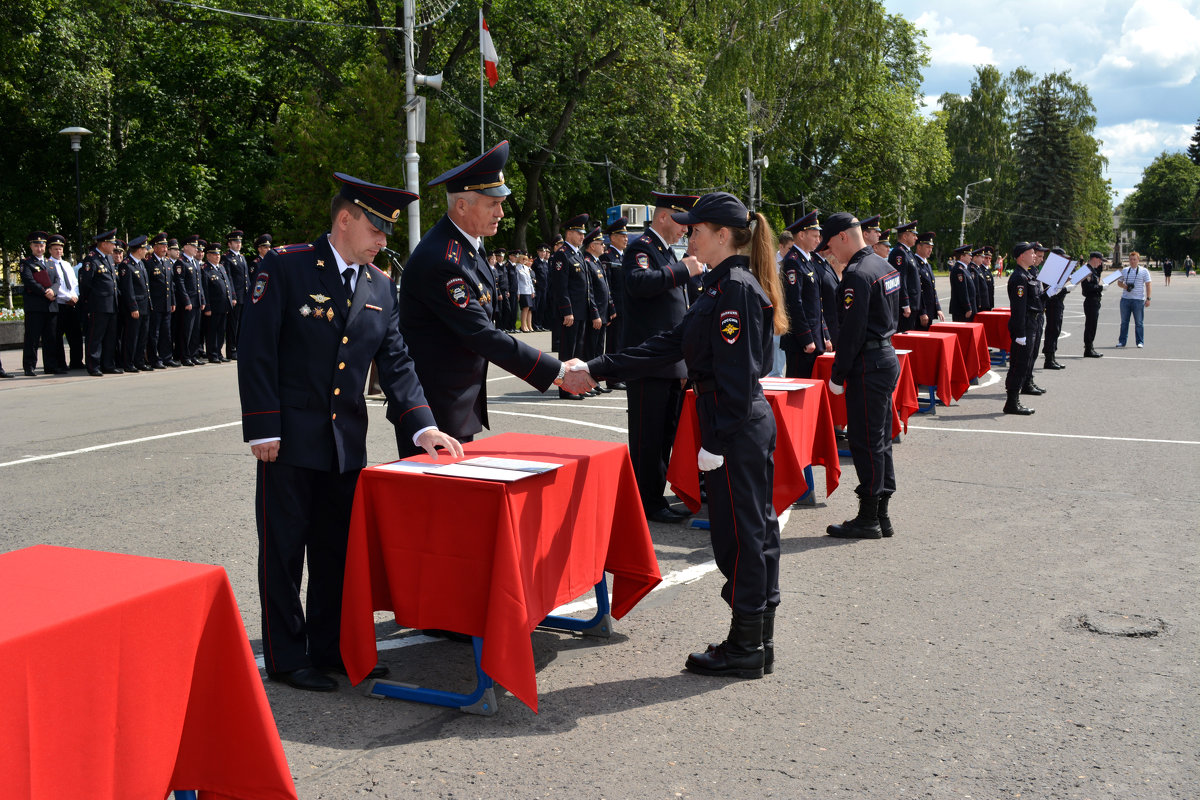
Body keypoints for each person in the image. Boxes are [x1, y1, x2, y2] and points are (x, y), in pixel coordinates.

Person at [238, 171, 463, 693]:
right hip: (287, 442)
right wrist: (261, 428)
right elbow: (257, 349)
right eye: (377, 230)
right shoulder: (286, 267)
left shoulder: (380, 284)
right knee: (285, 551)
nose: (385, 241)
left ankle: (333, 648)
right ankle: (288, 658)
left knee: (336, 552)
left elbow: (397, 363)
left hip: (344, 444)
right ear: (345, 219)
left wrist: (423, 425)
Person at [577, 191, 787, 679]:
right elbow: (666, 345)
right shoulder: (721, 285)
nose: (687, 235)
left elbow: (736, 377)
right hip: (733, 422)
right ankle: (756, 639)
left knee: (743, 537)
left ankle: (745, 646)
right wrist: (596, 366)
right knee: (750, 533)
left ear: (720, 235)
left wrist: (714, 445)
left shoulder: (732, 288)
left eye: (695, 229)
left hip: (731, 425)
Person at [397, 141, 594, 451]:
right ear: (462, 205)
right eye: (493, 204)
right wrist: (556, 372)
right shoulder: (443, 260)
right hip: (433, 411)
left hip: (455, 402)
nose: (502, 212)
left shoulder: (467, 246)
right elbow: (481, 334)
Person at [819, 214, 901, 540]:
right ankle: (882, 515)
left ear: (842, 237)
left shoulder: (856, 274)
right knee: (880, 441)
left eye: (830, 246)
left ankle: (869, 518)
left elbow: (850, 332)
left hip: (867, 363)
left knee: (865, 442)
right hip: (885, 356)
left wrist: (838, 373)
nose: (831, 254)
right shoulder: (883, 265)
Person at [621, 191, 700, 523]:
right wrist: (681, 271)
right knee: (647, 436)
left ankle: (654, 496)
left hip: (669, 360)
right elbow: (638, 283)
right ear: (664, 217)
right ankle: (645, 500)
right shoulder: (641, 248)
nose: (685, 231)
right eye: (681, 223)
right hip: (648, 359)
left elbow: (676, 312)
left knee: (666, 432)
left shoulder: (666, 252)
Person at [550, 214, 596, 397]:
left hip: (581, 311)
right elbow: (561, 287)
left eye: (583, 233)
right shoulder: (562, 255)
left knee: (578, 352)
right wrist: (566, 311)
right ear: (569, 233)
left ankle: (576, 386)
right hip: (571, 313)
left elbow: (585, 287)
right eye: (579, 233)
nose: (582, 236)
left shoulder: (577, 255)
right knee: (568, 352)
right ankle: (565, 388)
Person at [779, 210, 828, 378]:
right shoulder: (793, 261)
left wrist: (825, 335)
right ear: (801, 235)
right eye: (814, 235)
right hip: (801, 342)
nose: (818, 240)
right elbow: (794, 303)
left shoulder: (809, 259)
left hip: (815, 338)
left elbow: (816, 303)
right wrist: (806, 338)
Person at [1004, 242, 1044, 415]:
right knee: (1018, 364)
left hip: (1032, 323)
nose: (1034, 255)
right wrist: (1020, 333)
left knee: (1024, 363)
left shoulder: (1027, 275)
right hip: (1024, 325)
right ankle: (1012, 403)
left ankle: (1014, 401)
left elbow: (1036, 301)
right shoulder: (1019, 277)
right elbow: (1019, 308)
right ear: (1021, 256)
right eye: (1031, 252)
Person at [78, 229, 120, 376]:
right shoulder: (91, 259)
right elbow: (86, 285)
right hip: (98, 305)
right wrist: (89, 304)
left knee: (110, 337)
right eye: (112, 243)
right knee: (95, 337)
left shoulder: (108, 258)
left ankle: (108, 364)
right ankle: (93, 365)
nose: (114, 246)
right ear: (103, 244)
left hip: (112, 304)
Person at [20, 231, 62, 376]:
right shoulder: (26, 263)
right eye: (36, 245)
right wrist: (45, 292)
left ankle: (50, 365)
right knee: (32, 338)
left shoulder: (50, 263)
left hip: (51, 306)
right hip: (35, 306)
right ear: (31, 246)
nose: (39, 248)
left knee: (51, 337)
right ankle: (29, 366)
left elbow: (57, 280)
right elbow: (29, 281)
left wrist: (53, 291)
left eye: (42, 245)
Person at [48, 233, 83, 371]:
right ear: (50, 250)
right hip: (59, 304)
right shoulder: (48, 265)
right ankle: (60, 363)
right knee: (57, 336)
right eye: (55, 249)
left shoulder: (67, 264)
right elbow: (53, 285)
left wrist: (75, 296)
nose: (58, 251)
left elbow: (74, 283)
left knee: (75, 335)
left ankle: (76, 361)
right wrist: (67, 297)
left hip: (72, 304)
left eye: (60, 248)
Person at [117, 235, 152, 372]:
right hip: (135, 307)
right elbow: (128, 289)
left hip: (145, 306)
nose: (146, 251)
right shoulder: (126, 265)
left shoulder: (141, 263)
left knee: (142, 336)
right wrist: (133, 307)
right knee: (132, 336)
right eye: (144, 249)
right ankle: (129, 362)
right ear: (138, 250)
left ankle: (139, 361)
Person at [601, 218, 628, 388]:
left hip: (627, 308)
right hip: (616, 308)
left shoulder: (625, 256)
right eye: (622, 235)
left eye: (626, 235)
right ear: (612, 237)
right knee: (614, 343)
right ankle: (612, 378)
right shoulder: (607, 257)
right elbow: (607, 286)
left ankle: (621, 374)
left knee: (623, 343)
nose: (626, 238)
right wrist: (610, 307)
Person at [145, 233, 179, 369]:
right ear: (155, 247)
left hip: (166, 303)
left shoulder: (167, 262)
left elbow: (171, 285)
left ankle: (166, 357)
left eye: (166, 246)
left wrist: (173, 301)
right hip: (155, 304)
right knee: (154, 333)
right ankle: (154, 359)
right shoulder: (149, 263)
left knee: (167, 332)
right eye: (162, 246)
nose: (165, 248)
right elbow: (147, 285)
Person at [173, 235, 205, 366]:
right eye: (193, 246)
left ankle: (193, 354)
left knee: (196, 330)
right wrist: (186, 300)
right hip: (188, 302)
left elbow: (199, 284)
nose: (196, 249)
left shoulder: (195, 262)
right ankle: (184, 356)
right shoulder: (181, 263)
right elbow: (180, 283)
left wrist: (202, 299)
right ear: (185, 247)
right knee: (186, 330)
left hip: (197, 301)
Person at [201, 241, 234, 362]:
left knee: (221, 331)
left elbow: (227, 285)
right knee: (212, 331)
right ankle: (212, 354)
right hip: (213, 306)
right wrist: (207, 307)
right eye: (214, 254)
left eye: (218, 254)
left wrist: (230, 300)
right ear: (208, 256)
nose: (217, 256)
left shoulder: (221, 267)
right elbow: (205, 290)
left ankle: (219, 353)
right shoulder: (205, 269)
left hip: (223, 305)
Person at [1041, 246, 1071, 370]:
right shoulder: (1049, 270)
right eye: (1062, 258)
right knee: (1052, 330)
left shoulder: (1056, 269)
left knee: (1056, 329)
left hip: (1058, 303)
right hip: (1052, 303)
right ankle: (1049, 358)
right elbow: (1051, 289)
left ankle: (1052, 357)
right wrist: (1064, 286)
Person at [222, 230, 250, 359]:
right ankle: (231, 350)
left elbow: (246, 278)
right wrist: (233, 295)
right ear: (229, 244)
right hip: (236, 295)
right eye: (235, 242)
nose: (238, 244)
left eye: (239, 242)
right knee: (233, 324)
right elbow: (229, 278)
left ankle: (239, 347)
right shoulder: (227, 258)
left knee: (242, 324)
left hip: (244, 294)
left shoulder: (242, 257)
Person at [888, 221, 921, 331]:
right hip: (906, 306)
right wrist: (905, 303)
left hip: (913, 303)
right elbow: (900, 279)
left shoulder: (908, 252)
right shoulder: (899, 252)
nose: (916, 238)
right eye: (914, 235)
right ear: (905, 236)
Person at [1116, 251, 1151, 347]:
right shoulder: (1125, 270)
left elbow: (1148, 285)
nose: (1132, 261)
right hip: (1125, 299)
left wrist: (1148, 298)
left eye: (1134, 259)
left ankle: (1140, 342)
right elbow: (1119, 283)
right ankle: (1122, 341)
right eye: (1131, 259)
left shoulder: (1144, 271)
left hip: (1138, 300)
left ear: (1138, 260)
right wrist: (1125, 287)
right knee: (1124, 322)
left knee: (1139, 322)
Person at [912, 231, 944, 330]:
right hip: (921, 314)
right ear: (919, 247)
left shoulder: (927, 265)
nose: (930, 250)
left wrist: (938, 308)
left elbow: (932, 288)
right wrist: (923, 312)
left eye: (931, 248)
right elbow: (918, 290)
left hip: (929, 311)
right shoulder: (915, 264)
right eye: (927, 247)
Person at [1080, 251, 1105, 358]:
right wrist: (1101, 287)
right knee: (1090, 325)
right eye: (1100, 261)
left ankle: (1090, 347)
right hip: (1090, 300)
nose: (1100, 263)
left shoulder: (1092, 270)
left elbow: (1095, 281)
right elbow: (1087, 288)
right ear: (1094, 259)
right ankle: (1088, 349)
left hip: (1095, 300)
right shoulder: (1086, 270)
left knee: (1093, 325)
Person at [948, 243, 976, 321]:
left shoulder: (964, 269)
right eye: (969, 255)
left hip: (966, 309)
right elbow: (962, 290)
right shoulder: (959, 270)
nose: (971, 257)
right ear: (962, 256)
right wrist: (968, 307)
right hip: (962, 310)